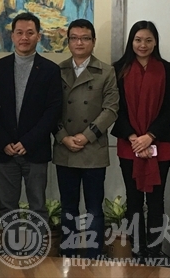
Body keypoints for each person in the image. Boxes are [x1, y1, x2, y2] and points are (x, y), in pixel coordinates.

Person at [52, 19, 119, 259]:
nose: (79, 42)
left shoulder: (106, 71)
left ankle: (93, 257)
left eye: (85, 38)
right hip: (65, 148)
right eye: (74, 38)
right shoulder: (58, 70)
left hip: (93, 149)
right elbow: (50, 109)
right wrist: (63, 137)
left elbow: (111, 109)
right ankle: (68, 257)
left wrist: (86, 135)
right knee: (68, 207)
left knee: (93, 208)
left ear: (93, 41)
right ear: (68, 41)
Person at [111, 20, 170, 260]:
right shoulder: (119, 68)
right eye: (138, 40)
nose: (143, 45)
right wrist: (134, 137)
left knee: (157, 200)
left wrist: (149, 137)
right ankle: (138, 249)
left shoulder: (165, 68)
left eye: (148, 40)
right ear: (131, 41)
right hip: (129, 145)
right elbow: (115, 108)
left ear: (155, 42)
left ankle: (154, 250)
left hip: (159, 143)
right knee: (134, 200)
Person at [0, 12, 62, 226]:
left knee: (38, 206)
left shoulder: (50, 70)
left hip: (35, 150)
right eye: (19, 33)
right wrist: (3, 141)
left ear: (38, 36)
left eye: (30, 33)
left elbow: (53, 111)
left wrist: (28, 141)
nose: (24, 37)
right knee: (7, 207)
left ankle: (39, 247)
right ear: (12, 36)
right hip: (4, 151)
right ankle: (9, 246)